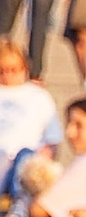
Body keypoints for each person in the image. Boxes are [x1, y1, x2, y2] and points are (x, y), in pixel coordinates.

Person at [0, 39, 62, 207]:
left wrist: (46, 153)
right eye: (2, 71)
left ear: (24, 68)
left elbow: (53, 137)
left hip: (28, 156)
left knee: (26, 157)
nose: (8, 76)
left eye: (13, 70)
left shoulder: (38, 96)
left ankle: (21, 202)